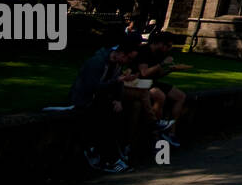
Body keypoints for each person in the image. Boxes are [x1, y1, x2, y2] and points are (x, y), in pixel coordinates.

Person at [70, 34, 142, 173]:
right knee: (105, 119)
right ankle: (108, 158)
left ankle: (120, 151)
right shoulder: (97, 62)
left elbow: (116, 86)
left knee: (126, 110)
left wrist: (118, 99)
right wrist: (117, 82)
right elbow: (92, 87)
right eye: (128, 58)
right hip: (85, 99)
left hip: (101, 99)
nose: (127, 62)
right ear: (120, 53)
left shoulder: (116, 64)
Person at [136, 30, 192, 146]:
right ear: (160, 43)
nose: (169, 49)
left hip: (151, 82)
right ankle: (156, 132)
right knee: (159, 95)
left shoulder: (160, 54)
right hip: (139, 83)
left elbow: (158, 74)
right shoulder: (144, 51)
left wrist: (170, 70)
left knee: (180, 96)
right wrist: (162, 64)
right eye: (168, 46)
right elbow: (144, 73)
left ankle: (171, 132)